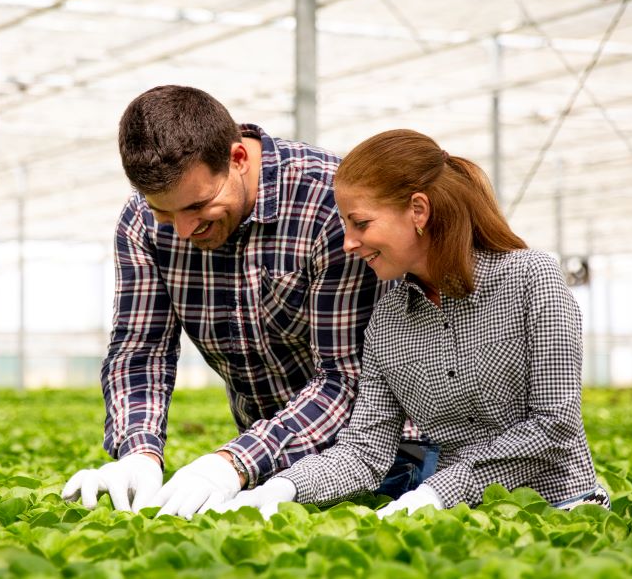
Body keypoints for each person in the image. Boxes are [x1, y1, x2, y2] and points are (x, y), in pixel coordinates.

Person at [61, 86, 433, 518]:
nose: (182, 231)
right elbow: (141, 348)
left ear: (238, 159)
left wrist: (232, 463)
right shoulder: (141, 222)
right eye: (166, 213)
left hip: (381, 456)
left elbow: (343, 380)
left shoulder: (329, 204)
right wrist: (138, 453)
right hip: (264, 465)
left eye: (199, 206)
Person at [216, 129, 610, 518]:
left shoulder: (531, 278)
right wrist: (286, 486)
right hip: (459, 523)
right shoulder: (387, 320)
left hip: (563, 510)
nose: (348, 242)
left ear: (418, 211)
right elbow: (363, 452)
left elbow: (554, 425)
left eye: (361, 223)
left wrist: (438, 492)